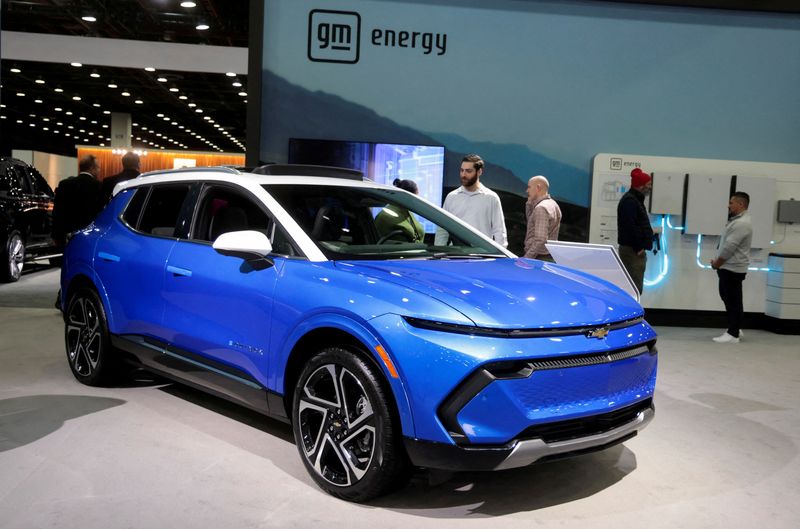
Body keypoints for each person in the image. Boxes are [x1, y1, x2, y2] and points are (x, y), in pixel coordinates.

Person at [434, 154, 507, 247]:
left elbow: (499, 231)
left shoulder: (491, 197)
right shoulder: (451, 197)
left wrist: (499, 256)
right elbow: (442, 229)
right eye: (461, 170)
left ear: (479, 172)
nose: (463, 175)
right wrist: (440, 252)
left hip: (482, 255)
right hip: (456, 254)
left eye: (468, 171)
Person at [710, 192, 753, 344]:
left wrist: (717, 263)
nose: (728, 205)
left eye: (731, 202)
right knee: (733, 299)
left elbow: (730, 247)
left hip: (731, 268)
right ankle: (736, 328)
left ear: (741, 204)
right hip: (730, 267)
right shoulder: (738, 221)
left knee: (731, 299)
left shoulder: (741, 224)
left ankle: (732, 334)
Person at [52, 154, 103, 248]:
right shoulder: (99, 186)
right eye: (98, 168)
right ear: (92, 168)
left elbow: (58, 211)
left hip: (67, 234)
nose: (99, 171)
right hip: (89, 236)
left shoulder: (64, 184)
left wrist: (56, 235)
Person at [617, 167, 654, 294]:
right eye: (649, 184)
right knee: (634, 288)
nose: (650, 187)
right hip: (633, 252)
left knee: (634, 286)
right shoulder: (630, 201)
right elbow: (630, 227)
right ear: (641, 186)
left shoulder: (634, 200)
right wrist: (639, 247)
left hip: (633, 251)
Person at [523, 175, 562, 261]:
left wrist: (526, 258)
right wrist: (529, 203)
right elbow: (531, 222)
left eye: (529, 187)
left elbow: (540, 239)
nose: (527, 190)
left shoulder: (541, 208)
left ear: (538, 187)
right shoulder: (553, 204)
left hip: (539, 258)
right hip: (547, 256)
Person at [375, 178, 425, 243]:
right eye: (416, 196)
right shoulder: (386, 216)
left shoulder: (406, 211)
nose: (417, 200)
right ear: (408, 197)